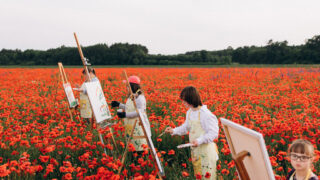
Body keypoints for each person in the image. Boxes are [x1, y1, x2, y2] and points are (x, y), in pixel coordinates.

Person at [165, 86, 219, 180]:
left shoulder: (205, 114)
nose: (183, 103)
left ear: (191, 99)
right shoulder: (190, 112)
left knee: (207, 177)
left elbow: (213, 133)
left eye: (184, 101)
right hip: (196, 151)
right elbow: (185, 127)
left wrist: (199, 140)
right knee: (199, 176)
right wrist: (173, 131)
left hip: (206, 151)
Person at [111, 75, 151, 152]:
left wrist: (125, 115)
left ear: (132, 86)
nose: (126, 88)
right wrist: (119, 104)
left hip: (140, 127)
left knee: (141, 148)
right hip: (132, 125)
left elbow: (139, 112)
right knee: (134, 147)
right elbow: (129, 108)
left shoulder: (140, 98)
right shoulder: (132, 96)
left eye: (127, 86)